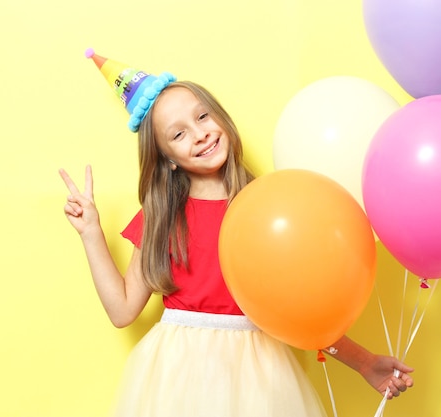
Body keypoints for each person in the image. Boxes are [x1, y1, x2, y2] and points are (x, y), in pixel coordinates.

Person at [59, 79, 414, 417]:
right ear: (167, 158)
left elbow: (301, 311)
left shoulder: (271, 207)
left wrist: (365, 362)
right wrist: (91, 232)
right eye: (179, 134)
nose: (200, 135)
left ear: (221, 116)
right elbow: (122, 311)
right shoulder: (162, 216)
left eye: (202, 116)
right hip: (178, 377)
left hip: (259, 376)